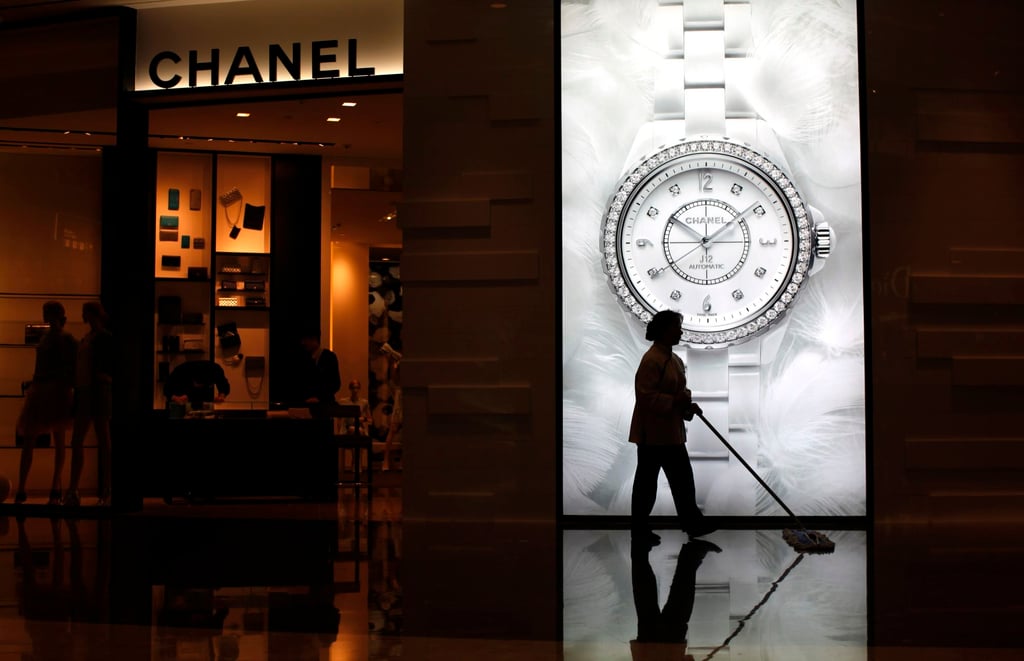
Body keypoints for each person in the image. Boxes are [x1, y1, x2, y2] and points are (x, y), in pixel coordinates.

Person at [628, 310, 715, 546]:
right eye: (677, 327)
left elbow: (677, 394)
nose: (680, 331)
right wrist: (677, 402)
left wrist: (686, 407)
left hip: (670, 433)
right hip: (652, 435)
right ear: (665, 330)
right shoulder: (652, 360)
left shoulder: (672, 359)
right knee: (648, 484)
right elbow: (645, 397)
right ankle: (641, 529)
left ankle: (692, 524)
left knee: (682, 480)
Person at [15, 301, 78, 505]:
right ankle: (45, 488)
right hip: (49, 389)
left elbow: (69, 366)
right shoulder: (55, 338)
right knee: (49, 440)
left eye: (48, 313)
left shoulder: (60, 339)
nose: (46, 316)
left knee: (45, 440)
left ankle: (47, 488)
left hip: (52, 389)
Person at [64, 301, 114, 508]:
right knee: (81, 441)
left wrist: (103, 377)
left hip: (96, 391)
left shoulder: (102, 337)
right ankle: (75, 489)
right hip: (85, 391)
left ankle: (105, 489)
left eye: (88, 313)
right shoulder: (88, 338)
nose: (86, 317)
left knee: (102, 441)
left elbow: (108, 365)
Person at [295, 328, 341, 409]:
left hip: (325, 407)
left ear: (314, 339)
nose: (303, 343)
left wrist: (319, 398)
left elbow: (335, 384)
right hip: (308, 406)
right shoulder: (304, 359)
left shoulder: (329, 357)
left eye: (305, 340)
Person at [164, 357, 230, 409]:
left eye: (203, 385)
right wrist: (176, 398)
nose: (200, 387)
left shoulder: (215, 370)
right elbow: (166, 388)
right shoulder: (181, 371)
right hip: (180, 404)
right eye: (197, 384)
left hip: (204, 404)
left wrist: (221, 396)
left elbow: (224, 385)